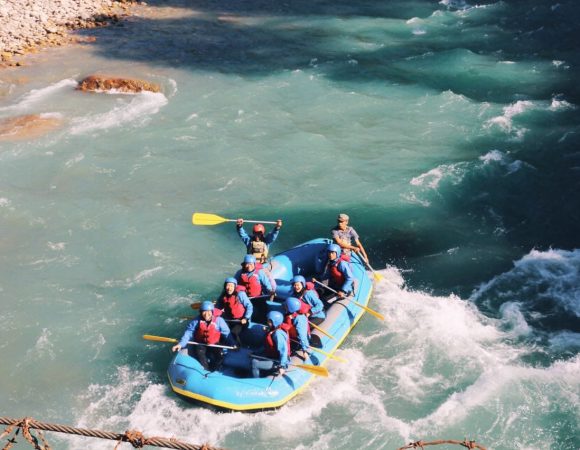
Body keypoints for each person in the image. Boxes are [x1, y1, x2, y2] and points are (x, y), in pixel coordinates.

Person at [171, 301, 235, 372]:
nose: (206, 314)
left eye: (208, 312)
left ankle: (214, 369)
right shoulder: (196, 321)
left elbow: (227, 334)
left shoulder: (219, 321)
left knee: (220, 357)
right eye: (204, 312)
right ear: (201, 312)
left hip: (215, 343)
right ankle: (206, 370)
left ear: (212, 312)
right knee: (201, 357)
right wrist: (181, 344)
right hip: (201, 344)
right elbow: (188, 332)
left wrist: (233, 344)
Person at [235, 254, 274, 322]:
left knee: (262, 311)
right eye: (247, 264)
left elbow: (267, 284)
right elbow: (233, 284)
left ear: (254, 264)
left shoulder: (259, 272)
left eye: (251, 264)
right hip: (245, 298)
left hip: (258, 297)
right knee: (245, 311)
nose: (249, 266)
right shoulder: (240, 273)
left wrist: (270, 290)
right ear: (244, 264)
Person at [251, 311, 290, 378]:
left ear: (274, 322)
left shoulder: (278, 334)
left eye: (269, 321)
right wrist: (256, 353)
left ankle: (256, 382)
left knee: (254, 364)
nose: (267, 322)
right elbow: (267, 345)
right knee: (254, 359)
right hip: (272, 356)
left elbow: (284, 351)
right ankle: (263, 374)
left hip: (278, 361)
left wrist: (282, 366)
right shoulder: (273, 329)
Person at [215, 277, 253, 345]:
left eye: (231, 286)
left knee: (234, 332)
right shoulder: (223, 295)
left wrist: (246, 318)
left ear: (235, 286)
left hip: (241, 321)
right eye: (227, 285)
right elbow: (218, 307)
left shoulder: (240, 294)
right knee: (220, 330)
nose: (229, 288)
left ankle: (238, 346)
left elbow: (249, 306)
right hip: (229, 319)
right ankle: (219, 345)